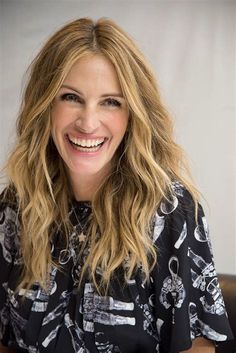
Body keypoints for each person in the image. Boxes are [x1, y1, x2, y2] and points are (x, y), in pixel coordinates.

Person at [0, 17, 233, 353]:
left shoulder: (170, 212)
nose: (88, 123)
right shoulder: (13, 207)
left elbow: (196, 346)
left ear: (132, 114)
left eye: (110, 102)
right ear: (45, 105)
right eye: (71, 97)